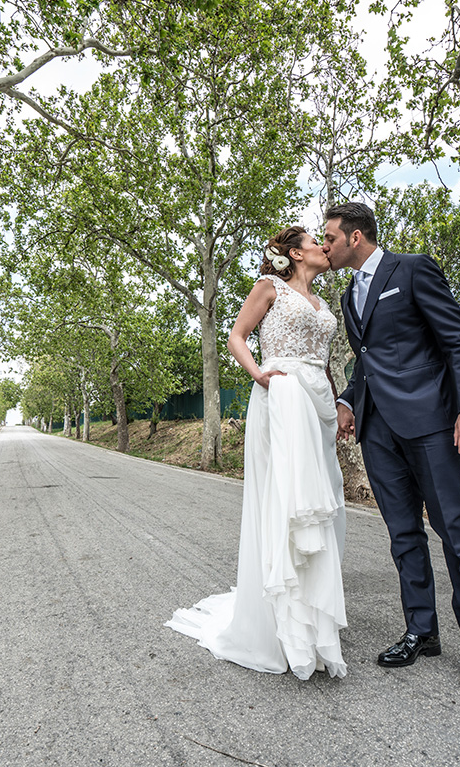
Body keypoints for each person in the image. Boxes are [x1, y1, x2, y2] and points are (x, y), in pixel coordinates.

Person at [322, 201, 460, 694]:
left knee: (456, 532)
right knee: (403, 536)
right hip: (377, 431)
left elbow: (458, 340)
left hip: (430, 424)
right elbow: (367, 361)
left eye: (330, 237)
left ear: (355, 237)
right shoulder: (348, 295)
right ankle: (422, 630)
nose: (324, 245)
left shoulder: (414, 268)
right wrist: (347, 400)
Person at [166, 226, 348, 680]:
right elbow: (236, 336)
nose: (324, 249)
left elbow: (322, 358)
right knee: (284, 499)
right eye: (315, 243)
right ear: (294, 253)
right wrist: (259, 375)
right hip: (282, 396)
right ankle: (277, 623)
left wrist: (335, 399)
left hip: (317, 403)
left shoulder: (324, 305)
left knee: (323, 500)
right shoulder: (270, 288)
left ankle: (310, 612)